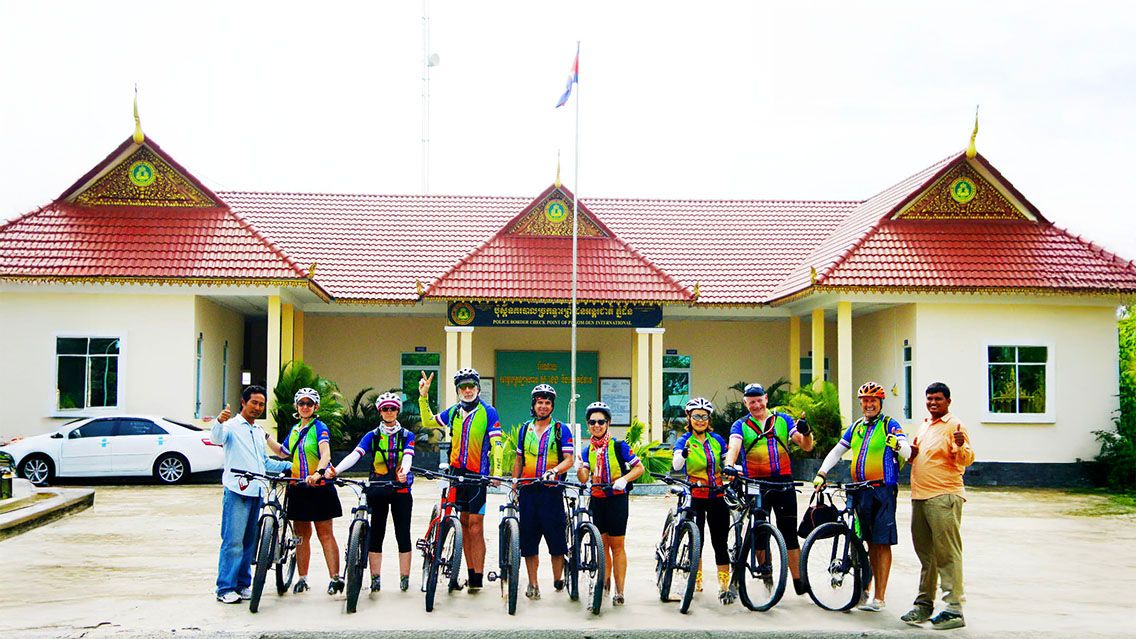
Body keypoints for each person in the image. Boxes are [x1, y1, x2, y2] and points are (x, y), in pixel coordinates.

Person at [813, 381, 911, 612]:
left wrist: (897, 445)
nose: (868, 404)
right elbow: (838, 450)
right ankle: (864, 591)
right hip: (860, 490)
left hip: (882, 490)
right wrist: (821, 473)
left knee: (881, 542)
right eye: (865, 400)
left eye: (873, 400)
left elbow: (908, 451)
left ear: (880, 403)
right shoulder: (856, 427)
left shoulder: (890, 424)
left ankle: (879, 597)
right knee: (865, 541)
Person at [723, 382, 813, 595]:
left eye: (759, 400)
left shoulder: (782, 420)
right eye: (751, 402)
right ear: (746, 403)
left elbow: (806, 445)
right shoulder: (740, 425)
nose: (756, 405)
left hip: (783, 483)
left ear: (766, 399)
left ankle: (800, 582)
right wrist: (729, 464)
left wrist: (806, 432)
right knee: (759, 534)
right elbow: (734, 447)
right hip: (756, 484)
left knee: (789, 534)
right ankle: (767, 575)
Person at [418, 367, 502, 592]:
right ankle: (465, 571)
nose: (467, 390)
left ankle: (478, 577)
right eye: (462, 387)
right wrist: (423, 396)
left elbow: (497, 444)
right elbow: (428, 421)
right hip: (455, 474)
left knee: (476, 527)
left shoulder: (488, 411)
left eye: (471, 386)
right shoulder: (454, 412)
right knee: (463, 524)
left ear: (477, 388)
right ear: (457, 390)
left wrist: (497, 471)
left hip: (477, 476)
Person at [900, 382, 974, 630]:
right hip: (920, 496)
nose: (933, 403)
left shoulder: (954, 425)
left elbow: (966, 459)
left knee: (947, 553)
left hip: (944, 496)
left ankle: (954, 609)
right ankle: (924, 604)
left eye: (938, 399)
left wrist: (962, 444)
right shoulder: (924, 425)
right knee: (926, 554)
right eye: (929, 398)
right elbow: (919, 457)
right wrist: (908, 453)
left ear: (948, 402)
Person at [209, 385, 290, 604]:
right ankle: (224, 587)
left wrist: (293, 467)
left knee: (248, 543)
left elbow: (263, 462)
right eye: (253, 402)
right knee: (232, 542)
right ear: (243, 403)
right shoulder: (232, 426)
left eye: (261, 404)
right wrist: (219, 421)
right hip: (237, 490)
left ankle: (243, 585)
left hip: (257, 491)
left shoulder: (257, 431)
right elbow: (217, 438)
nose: (257, 407)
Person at [328, 391, 416, 593]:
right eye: (385, 409)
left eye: (393, 408)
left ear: (398, 411)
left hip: (401, 487)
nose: (389, 412)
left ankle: (405, 577)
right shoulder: (372, 436)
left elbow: (409, 456)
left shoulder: (406, 435)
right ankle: (375, 578)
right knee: (377, 532)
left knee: (402, 532)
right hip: (378, 487)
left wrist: (404, 471)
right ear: (380, 412)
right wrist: (337, 470)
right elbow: (355, 455)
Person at [577, 401, 644, 606]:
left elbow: (638, 468)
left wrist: (624, 480)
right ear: (588, 425)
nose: (596, 425)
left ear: (608, 423)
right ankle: (604, 586)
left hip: (617, 500)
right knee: (602, 546)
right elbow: (583, 478)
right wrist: (580, 467)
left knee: (617, 546)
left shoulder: (618, 446)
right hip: (598, 500)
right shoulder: (588, 450)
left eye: (601, 421)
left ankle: (620, 590)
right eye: (592, 422)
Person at [512, 383, 575, 600]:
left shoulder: (560, 430)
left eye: (547, 403)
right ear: (534, 404)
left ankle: (558, 579)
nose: (544, 406)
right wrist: (514, 482)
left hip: (551, 491)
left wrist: (555, 470)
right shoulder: (524, 429)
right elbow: (519, 459)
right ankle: (533, 584)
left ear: (552, 406)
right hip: (528, 491)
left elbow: (569, 459)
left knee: (556, 539)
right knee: (529, 540)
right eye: (540, 402)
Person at [279, 387, 343, 596]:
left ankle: (334, 578)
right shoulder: (295, 429)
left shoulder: (319, 427)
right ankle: (302, 578)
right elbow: (283, 452)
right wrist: (264, 437)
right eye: (301, 403)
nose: (305, 407)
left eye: (309, 403)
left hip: (319, 486)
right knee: (301, 535)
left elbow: (325, 452)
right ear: (296, 407)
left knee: (325, 534)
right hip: (298, 487)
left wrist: (319, 472)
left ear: (315, 407)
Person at [672, 397, 734, 604]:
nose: (700, 420)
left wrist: (733, 469)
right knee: (696, 541)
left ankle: (724, 586)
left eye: (704, 416)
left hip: (716, 494)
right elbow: (677, 465)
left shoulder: (717, 439)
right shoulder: (684, 440)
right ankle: (696, 581)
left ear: (709, 419)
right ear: (689, 418)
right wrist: (684, 453)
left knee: (720, 542)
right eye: (696, 416)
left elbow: (727, 460)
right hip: (695, 497)